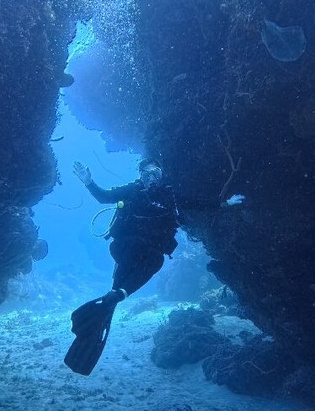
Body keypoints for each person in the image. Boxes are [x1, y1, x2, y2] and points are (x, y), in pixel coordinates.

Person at [64, 157, 243, 374]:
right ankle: (116, 294)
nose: (150, 178)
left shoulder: (171, 195)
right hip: (127, 246)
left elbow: (198, 203)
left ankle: (117, 295)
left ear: (162, 175)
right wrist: (88, 181)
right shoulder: (133, 189)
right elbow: (104, 197)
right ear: (140, 176)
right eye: (145, 174)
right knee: (146, 259)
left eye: (155, 173)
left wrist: (226, 203)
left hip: (150, 252)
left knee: (148, 265)